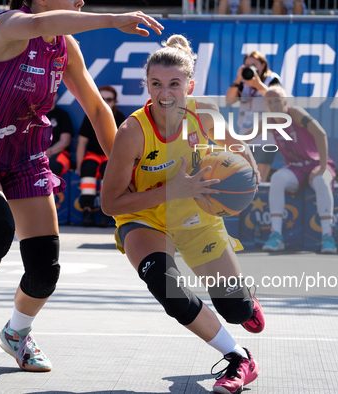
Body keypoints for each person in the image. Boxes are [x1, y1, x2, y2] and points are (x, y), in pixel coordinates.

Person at [0, 0, 163, 372]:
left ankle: (17, 333)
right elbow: (42, 20)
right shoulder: (8, 26)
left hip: (25, 156)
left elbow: (96, 108)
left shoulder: (64, 45)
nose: (80, 2)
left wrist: (127, 173)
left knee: (45, 271)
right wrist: (112, 20)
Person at [101, 35, 264, 394]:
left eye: (175, 83)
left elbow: (235, 147)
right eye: (156, 84)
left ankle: (245, 301)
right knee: (168, 287)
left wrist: (246, 163)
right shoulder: (132, 132)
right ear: (147, 85)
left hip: (195, 213)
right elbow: (109, 204)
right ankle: (239, 358)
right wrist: (169, 191)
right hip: (145, 219)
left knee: (235, 310)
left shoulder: (204, 114)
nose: (165, 93)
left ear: (189, 85)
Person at [259, 85, 337, 254]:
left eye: (277, 101)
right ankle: (276, 236)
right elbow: (244, 138)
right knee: (277, 179)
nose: (274, 105)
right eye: (270, 102)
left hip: (316, 163)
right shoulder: (269, 120)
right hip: (295, 167)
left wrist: (323, 167)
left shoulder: (295, 113)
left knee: (321, 180)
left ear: (285, 102)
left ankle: (328, 236)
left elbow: (321, 134)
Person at [225, 51, 282, 182]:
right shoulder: (243, 82)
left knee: (259, 179)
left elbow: (276, 99)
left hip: (265, 138)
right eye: (247, 65)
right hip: (245, 136)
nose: (250, 68)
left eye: (254, 65)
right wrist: (238, 79)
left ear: (263, 65)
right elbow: (229, 100)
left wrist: (257, 85)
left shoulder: (272, 79)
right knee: (243, 177)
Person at [76, 85, 125, 227]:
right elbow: (81, 142)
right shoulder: (91, 115)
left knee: (108, 172)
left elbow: (125, 144)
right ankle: (87, 211)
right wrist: (79, 165)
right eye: (102, 99)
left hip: (110, 156)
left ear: (114, 101)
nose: (105, 102)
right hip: (92, 155)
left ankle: (105, 214)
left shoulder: (120, 116)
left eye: (109, 99)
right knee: (87, 169)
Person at [45, 94, 74, 177]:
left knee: (53, 165)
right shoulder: (34, 116)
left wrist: (49, 151)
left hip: (58, 153)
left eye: (52, 93)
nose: (49, 96)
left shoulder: (63, 115)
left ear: (57, 96)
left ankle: (53, 190)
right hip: (36, 154)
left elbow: (65, 141)